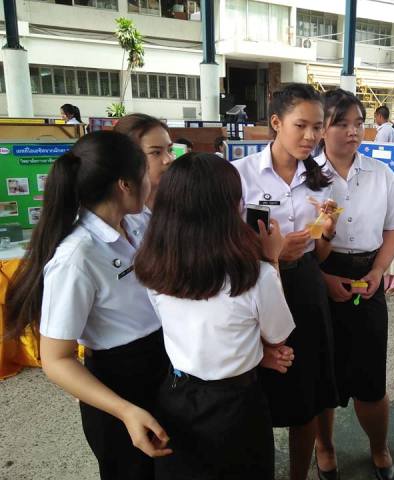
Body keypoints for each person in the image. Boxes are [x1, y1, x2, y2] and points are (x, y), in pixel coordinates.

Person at [4, 131, 171, 479]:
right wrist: (125, 411)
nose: (151, 180)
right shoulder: (77, 257)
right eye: (146, 171)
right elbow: (57, 360)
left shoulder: (135, 222)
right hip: (120, 383)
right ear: (125, 184)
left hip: (161, 361)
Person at [135, 153, 295, 479]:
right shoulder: (255, 275)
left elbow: (188, 327)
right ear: (232, 209)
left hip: (176, 396)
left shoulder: (152, 267)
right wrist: (272, 258)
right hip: (237, 406)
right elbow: (278, 335)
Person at [233, 83, 340, 480]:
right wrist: (270, 253)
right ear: (276, 122)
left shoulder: (321, 180)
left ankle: (298, 473)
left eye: (317, 127)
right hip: (255, 286)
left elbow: (321, 254)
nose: (311, 136)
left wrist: (326, 232)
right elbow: (224, 242)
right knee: (254, 386)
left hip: (305, 287)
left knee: (306, 391)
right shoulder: (241, 175)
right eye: (301, 125)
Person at [314, 89, 394, 480]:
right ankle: (325, 447)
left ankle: (379, 446)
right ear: (322, 129)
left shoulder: (380, 174)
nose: (353, 131)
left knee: (371, 377)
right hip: (320, 273)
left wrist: (379, 270)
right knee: (323, 376)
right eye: (341, 123)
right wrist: (321, 279)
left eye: (358, 123)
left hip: (368, 274)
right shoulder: (307, 176)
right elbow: (299, 241)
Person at [114, 114, 175, 211]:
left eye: (170, 150)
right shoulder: (120, 215)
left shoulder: (179, 199)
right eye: (156, 152)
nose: (169, 159)